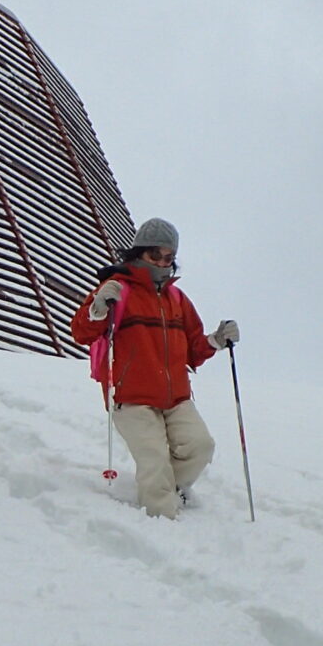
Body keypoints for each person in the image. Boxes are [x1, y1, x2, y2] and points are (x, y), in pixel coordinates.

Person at [67, 218, 240, 517]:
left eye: (168, 257)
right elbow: (81, 332)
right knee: (154, 462)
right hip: (131, 395)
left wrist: (217, 340)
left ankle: (172, 490)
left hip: (176, 396)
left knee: (200, 447)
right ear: (139, 253)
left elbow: (194, 350)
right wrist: (98, 307)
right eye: (155, 255)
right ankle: (162, 527)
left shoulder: (176, 298)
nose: (162, 263)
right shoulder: (118, 289)